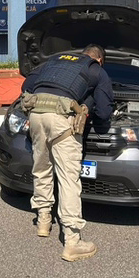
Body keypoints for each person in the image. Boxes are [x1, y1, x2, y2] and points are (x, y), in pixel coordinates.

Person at [20, 44, 114, 262]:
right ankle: (73, 241)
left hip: (36, 116)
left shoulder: (53, 61)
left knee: (42, 168)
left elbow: (27, 85)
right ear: (99, 60)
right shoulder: (96, 70)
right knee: (68, 178)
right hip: (61, 121)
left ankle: (43, 221)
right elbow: (103, 110)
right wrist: (87, 105)